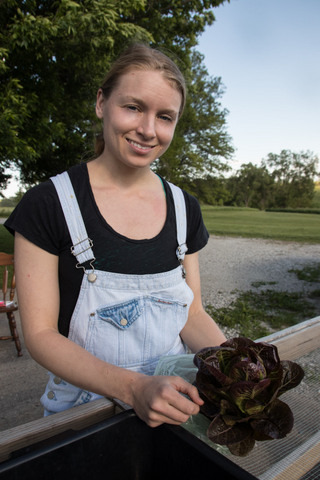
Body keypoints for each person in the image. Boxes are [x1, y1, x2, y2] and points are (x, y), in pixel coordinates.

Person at [5, 43, 226, 428]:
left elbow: (192, 313)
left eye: (165, 117)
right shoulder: (48, 203)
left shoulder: (183, 207)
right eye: (133, 107)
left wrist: (236, 364)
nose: (147, 129)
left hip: (176, 405)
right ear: (101, 103)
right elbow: (39, 335)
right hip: (85, 417)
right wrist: (134, 388)